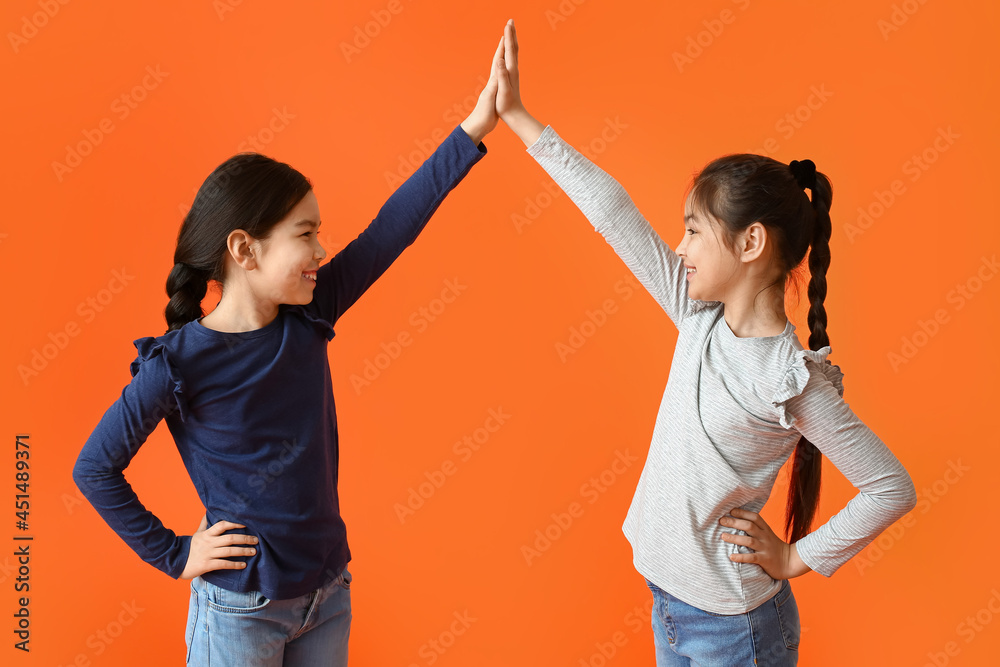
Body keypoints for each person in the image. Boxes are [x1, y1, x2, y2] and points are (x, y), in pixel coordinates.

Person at [71, 30, 508, 666]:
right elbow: (94, 469)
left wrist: (474, 128)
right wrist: (174, 553)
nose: (322, 250)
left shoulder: (309, 315)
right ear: (245, 250)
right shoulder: (180, 363)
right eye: (306, 234)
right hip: (240, 612)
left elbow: (392, 229)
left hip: (328, 595)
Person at [492, 18, 917, 665]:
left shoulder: (787, 377)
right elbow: (614, 213)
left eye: (694, 230)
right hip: (670, 601)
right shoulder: (699, 315)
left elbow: (891, 485)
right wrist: (521, 120)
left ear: (751, 244)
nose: (680, 248)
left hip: (736, 628)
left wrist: (797, 556)